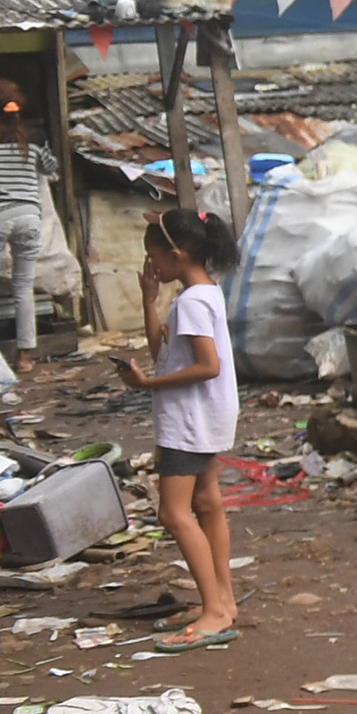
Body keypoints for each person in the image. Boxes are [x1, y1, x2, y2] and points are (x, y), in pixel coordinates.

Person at [112, 206, 243, 647]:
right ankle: (223, 601)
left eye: (154, 257)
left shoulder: (191, 302)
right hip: (206, 415)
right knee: (207, 504)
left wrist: (147, 384)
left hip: (188, 420)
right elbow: (162, 352)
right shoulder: (203, 293)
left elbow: (208, 366)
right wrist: (149, 301)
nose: (151, 265)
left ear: (177, 252)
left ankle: (213, 613)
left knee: (173, 512)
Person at [0, 78, 55, 363]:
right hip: (28, 217)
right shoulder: (34, 136)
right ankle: (25, 356)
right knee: (23, 286)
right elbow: (50, 168)